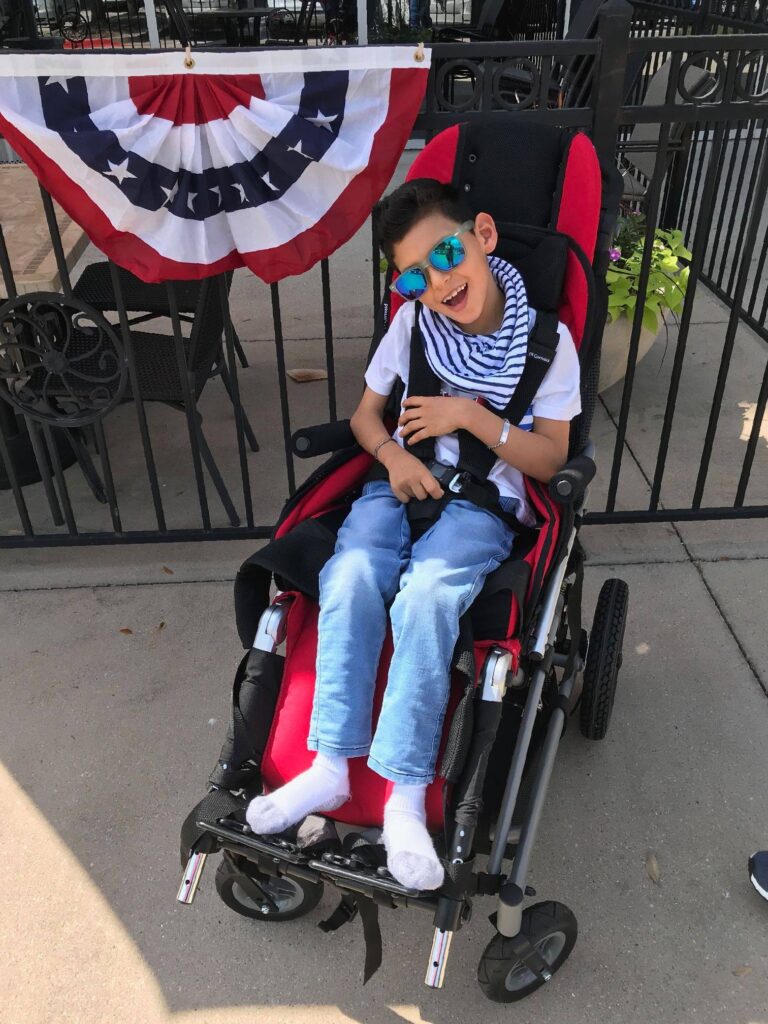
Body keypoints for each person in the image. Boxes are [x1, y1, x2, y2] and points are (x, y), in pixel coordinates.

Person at [246, 179, 581, 891]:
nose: (438, 282)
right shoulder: (413, 326)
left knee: (427, 595)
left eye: (447, 255)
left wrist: (471, 416)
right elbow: (366, 418)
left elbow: (552, 459)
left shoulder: (548, 345)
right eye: (414, 276)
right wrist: (392, 457)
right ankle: (330, 766)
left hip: (483, 501)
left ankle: (403, 796)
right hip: (398, 480)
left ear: (483, 234)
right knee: (349, 572)